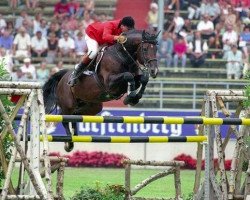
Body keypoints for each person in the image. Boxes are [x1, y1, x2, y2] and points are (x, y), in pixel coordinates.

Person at [68, 16, 135, 86]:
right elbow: (105, 36)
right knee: (93, 52)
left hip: (104, 41)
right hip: (92, 34)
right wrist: (117, 37)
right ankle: (77, 70)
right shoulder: (110, 24)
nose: (129, 32)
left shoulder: (124, 27)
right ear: (122, 26)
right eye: (128, 29)